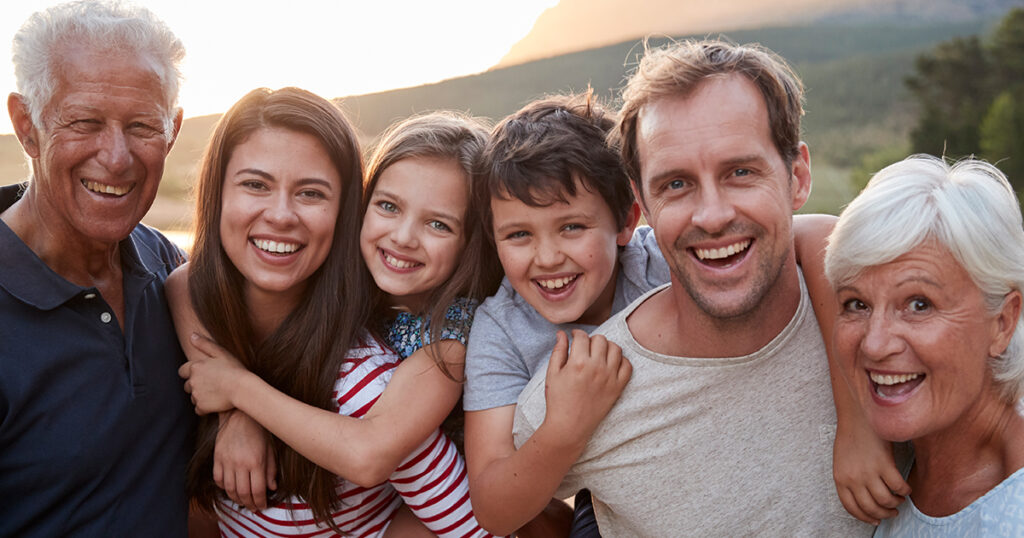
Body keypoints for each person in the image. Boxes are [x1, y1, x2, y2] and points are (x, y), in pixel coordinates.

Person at [512, 40, 878, 535]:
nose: (712, 215)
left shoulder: (884, 330)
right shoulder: (587, 388)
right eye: (676, 184)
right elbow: (508, 505)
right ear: (641, 200)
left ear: (797, 176)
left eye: (741, 172)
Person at [169, 93, 499, 536]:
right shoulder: (188, 303)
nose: (402, 237)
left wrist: (238, 389)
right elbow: (185, 282)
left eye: (310, 193)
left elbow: (470, 523)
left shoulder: (382, 378)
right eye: (255, 184)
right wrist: (234, 414)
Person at [0, 1, 191, 535]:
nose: (117, 157)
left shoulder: (170, 267)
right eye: (84, 122)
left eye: (142, 125)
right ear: (27, 126)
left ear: (173, 131)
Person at [825, 155, 1024, 536]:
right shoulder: (907, 452)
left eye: (919, 305)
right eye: (856, 304)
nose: (875, 343)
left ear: (1002, 322)